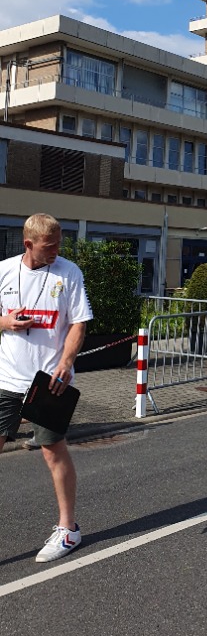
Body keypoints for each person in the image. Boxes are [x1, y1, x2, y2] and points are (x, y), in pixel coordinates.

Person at [0, 213, 92, 562]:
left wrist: (66, 364)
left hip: (49, 382)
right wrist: (5, 322)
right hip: (7, 377)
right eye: (49, 246)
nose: (56, 250)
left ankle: (68, 530)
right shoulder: (4, 271)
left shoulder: (69, 273)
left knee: (52, 450)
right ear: (29, 244)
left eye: (59, 243)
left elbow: (79, 324)